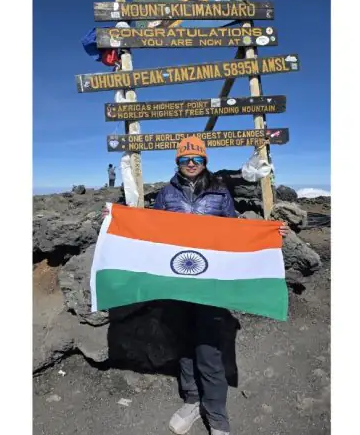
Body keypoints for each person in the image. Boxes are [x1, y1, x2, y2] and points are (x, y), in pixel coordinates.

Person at [105, 136, 288, 435]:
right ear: (177, 162)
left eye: (197, 159)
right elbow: (151, 229)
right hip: (176, 283)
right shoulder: (166, 194)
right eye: (185, 159)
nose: (191, 163)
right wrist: (116, 220)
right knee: (184, 344)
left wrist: (269, 232)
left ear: (205, 161)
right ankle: (191, 400)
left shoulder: (219, 192)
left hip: (209, 285)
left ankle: (216, 416)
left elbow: (234, 229)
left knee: (210, 348)